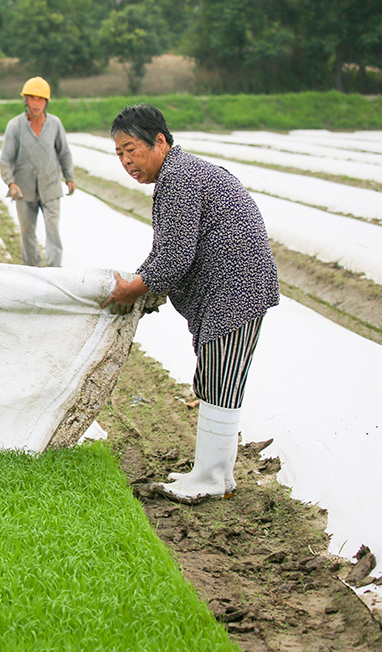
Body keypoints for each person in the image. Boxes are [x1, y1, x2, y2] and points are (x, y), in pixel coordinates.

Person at [101, 103, 279, 505]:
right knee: (215, 378)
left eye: (132, 149)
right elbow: (164, 251)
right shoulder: (176, 175)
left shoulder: (180, 178)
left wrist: (134, 289)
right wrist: (139, 282)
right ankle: (210, 472)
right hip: (227, 287)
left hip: (236, 287)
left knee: (221, 383)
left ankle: (213, 478)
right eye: (119, 154)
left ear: (159, 141)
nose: (127, 161)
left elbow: (175, 257)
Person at [0, 76, 76, 267]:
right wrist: (11, 182)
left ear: (46, 102)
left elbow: (64, 153)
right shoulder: (15, 126)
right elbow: (6, 159)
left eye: (40, 99)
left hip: (50, 187)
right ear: (25, 100)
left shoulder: (55, 124)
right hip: (24, 189)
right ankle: (32, 271)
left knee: (53, 229)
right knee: (27, 232)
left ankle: (54, 271)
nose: (36, 103)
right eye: (32, 98)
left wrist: (70, 178)